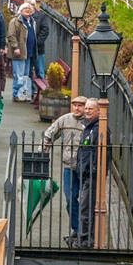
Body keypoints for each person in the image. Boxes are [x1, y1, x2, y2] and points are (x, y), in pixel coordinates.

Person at [42, 96, 87, 236]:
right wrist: (43, 153)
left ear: (86, 107)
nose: (77, 108)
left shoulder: (90, 122)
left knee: (87, 201)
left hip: (86, 168)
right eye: (75, 105)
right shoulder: (65, 119)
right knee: (70, 199)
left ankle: (85, 230)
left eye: (80, 105)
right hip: (69, 166)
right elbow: (49, 134)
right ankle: (77, 228)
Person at [74, 98, 101, 248]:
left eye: (91, 109)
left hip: (91, 175)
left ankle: (85, 241)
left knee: (86, 209)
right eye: (87, 108)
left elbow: (102, 153)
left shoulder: (98, 129)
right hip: (84, 174)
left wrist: (92, 169)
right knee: (85, 207)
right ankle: (83, 237)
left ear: (98, 111)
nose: (87, 111)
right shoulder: (88, 127)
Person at [7, 2, 34, 101]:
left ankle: (24, 94)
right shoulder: (15, 21)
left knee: (25, 76)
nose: (28, 10)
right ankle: (16, 95)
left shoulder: (31, 21)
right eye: (25, 8)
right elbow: (11, 35)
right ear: (20, 10)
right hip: (19, 53)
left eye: (29, 8)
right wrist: (15, 47)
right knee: (18, 75)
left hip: (28, 53)